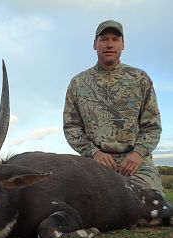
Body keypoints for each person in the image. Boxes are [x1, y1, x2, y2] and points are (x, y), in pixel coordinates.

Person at [63, 20, 164, 193]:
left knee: (148, 202)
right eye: (104, 39)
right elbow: (72, 127)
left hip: (136, 164)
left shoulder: (140, 78)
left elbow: (152, 127)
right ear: (95, 44)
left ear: (123, 45)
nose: (109, 44)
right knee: (89, 204)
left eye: (115, 39)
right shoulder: (78, 83)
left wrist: (138, 153)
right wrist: (93, 153)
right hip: (95, 163)